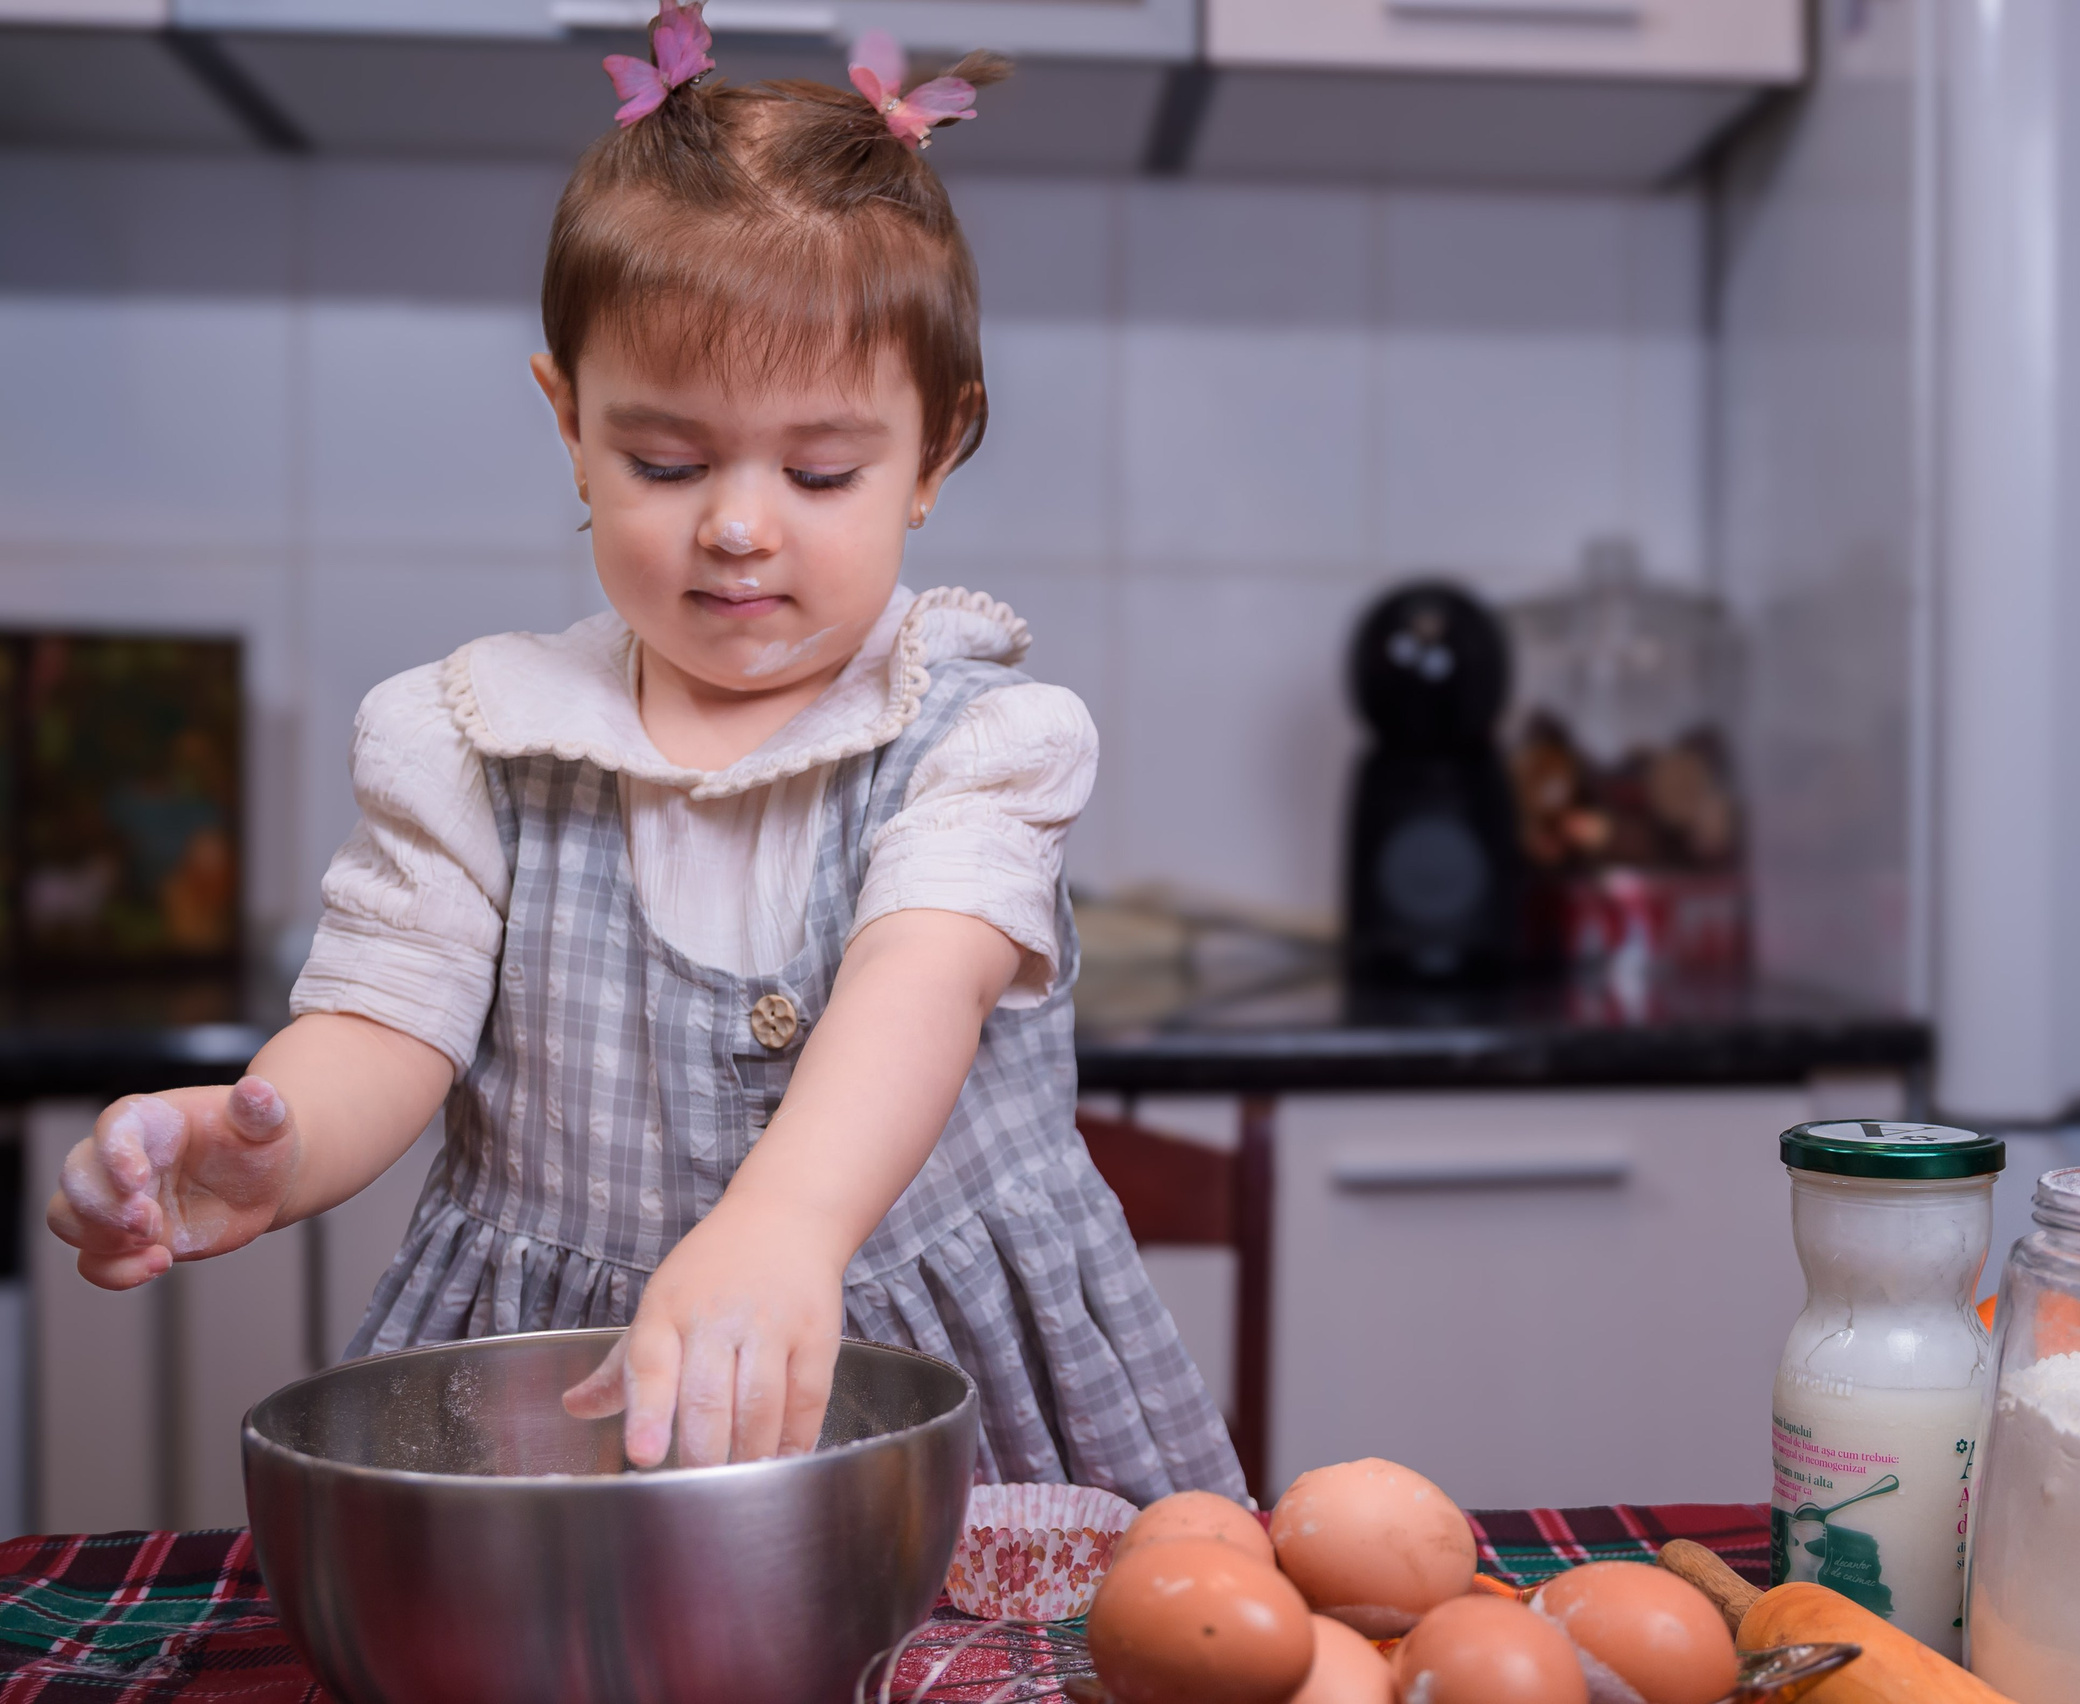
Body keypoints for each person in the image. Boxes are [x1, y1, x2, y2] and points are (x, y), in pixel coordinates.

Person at [43, 2, 1244, 1502]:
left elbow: (917, 983)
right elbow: (386, 1030)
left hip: (943, 1410)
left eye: (820, 469)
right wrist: (263, 1151)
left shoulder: (982, 735)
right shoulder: (473, 741)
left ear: (938, 449)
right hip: (573, 1392)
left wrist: (784, 1226)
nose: (739, 523)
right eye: (665, 462)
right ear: (569, 422)